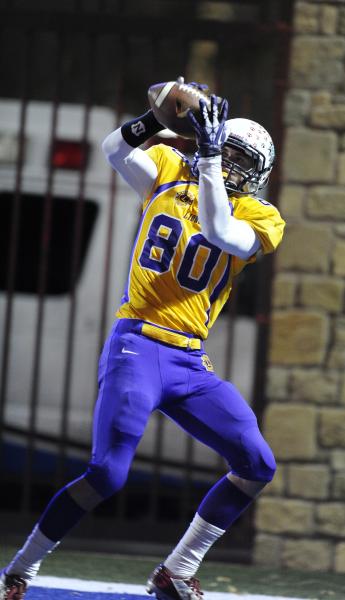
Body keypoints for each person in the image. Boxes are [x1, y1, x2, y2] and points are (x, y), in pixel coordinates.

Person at [0, 81, 285, 600]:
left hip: (189, 361)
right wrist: (157, 118)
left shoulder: (261, 217)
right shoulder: (173, 170)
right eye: (226, 152)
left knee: (257, 464)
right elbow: (115, 149)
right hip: (138, 344)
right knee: (107, 474)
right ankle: (20, 570)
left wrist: (210, 157)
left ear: (259, 173)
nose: (231, 165)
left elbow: (221, 232)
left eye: (242, 160)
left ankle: (177, 571)